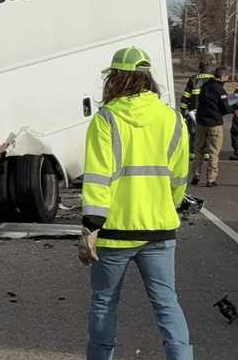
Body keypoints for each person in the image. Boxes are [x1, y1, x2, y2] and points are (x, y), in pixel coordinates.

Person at [79, 47, 191, 360]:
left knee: (104, 303)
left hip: (115, 233)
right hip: (159, 230)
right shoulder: (172, 119)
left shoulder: (106, 120)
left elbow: (99, 179)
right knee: (167, 303)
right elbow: (179, 177)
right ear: (147, 79)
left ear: (115, 78)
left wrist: (90, 228)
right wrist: (169, 206)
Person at [191, 66, 231, 187]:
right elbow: (225, 108)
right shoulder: (220, 90)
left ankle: (196, 175)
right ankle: (211, 179)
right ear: (223, 77)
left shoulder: (205, 86)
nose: (228, 78)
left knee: (198, 149)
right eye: (227, 76)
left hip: (201, 122)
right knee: (214, 151)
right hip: (214, 123)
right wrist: (233, 107)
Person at [178, 61, 213, 155]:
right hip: (209, 111)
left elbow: (186, 96)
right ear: (209, 69)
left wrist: (182, 111)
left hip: (194, 111)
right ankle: (206, 153)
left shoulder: (193, 79)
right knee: (207, 133)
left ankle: (192, 153)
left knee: (194, 133)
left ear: (199, 68)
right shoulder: (213, 80)